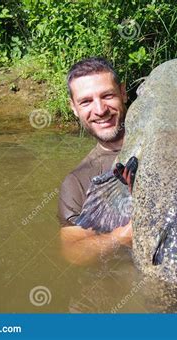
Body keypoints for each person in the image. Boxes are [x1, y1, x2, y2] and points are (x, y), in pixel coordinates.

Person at [58, 57, 132, 266]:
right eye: (86, 101)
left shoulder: (166, 138)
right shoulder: (77, 182)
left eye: (107, 95)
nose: (100, 110)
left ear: (123, 92)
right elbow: (73, 252)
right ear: (73, 107)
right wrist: (121, 237)